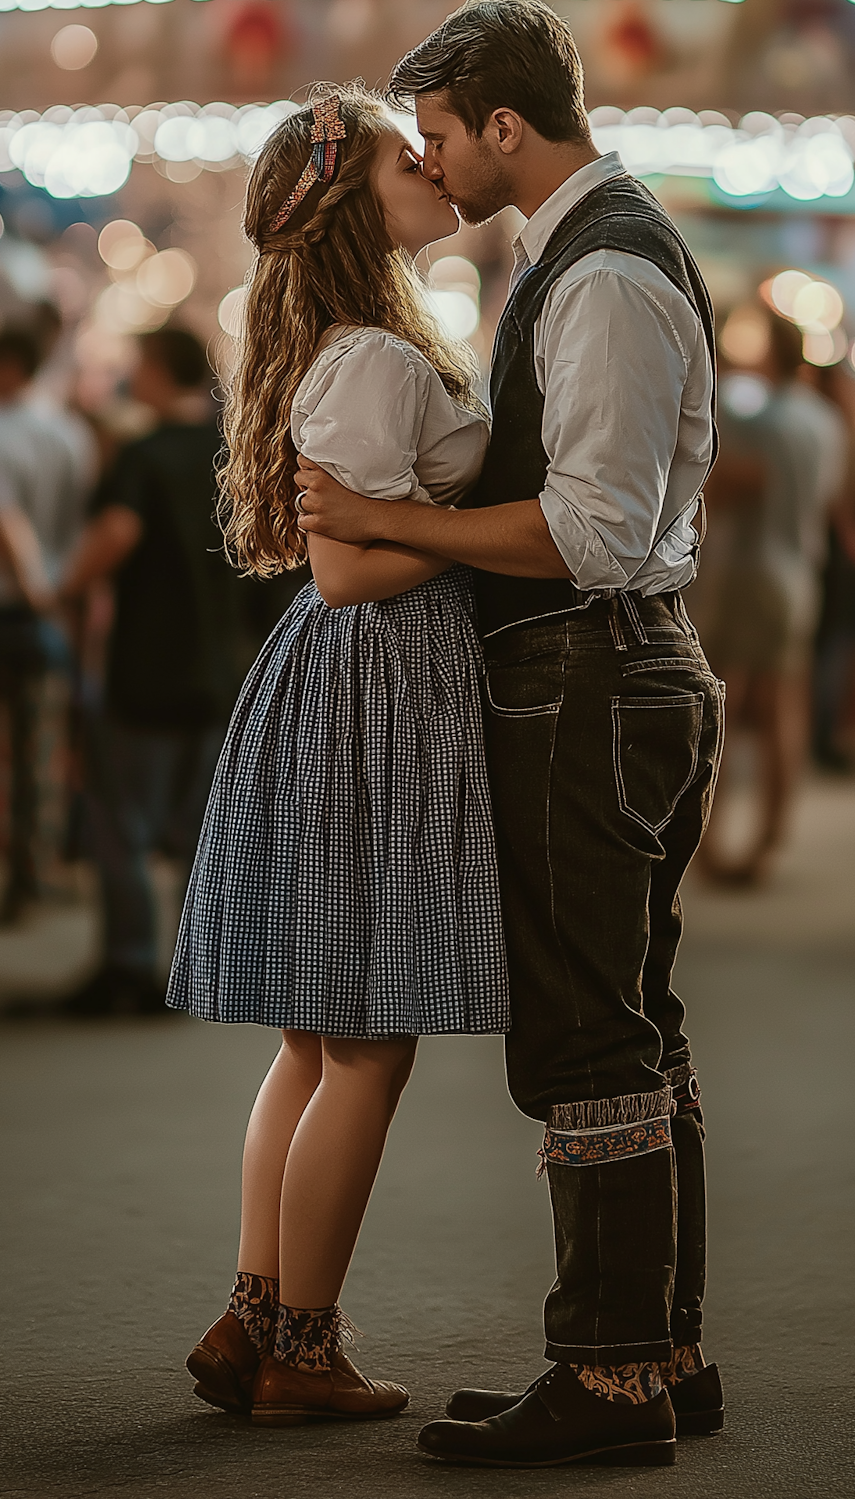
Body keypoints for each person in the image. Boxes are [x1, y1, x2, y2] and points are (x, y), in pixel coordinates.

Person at [297, 0, 723, 1470]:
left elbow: (595, 531)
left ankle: (609, 1373)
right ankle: (657, 1343)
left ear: (501, 122)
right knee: (633, 1019)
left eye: (436, 135)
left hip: (589, 674)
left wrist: (391, 521)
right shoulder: (597, 252)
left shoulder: (600, 272)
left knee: (585, 1028)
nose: (431, 162)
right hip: (624, 673)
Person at [170, 88, 507, 1428]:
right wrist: (500, 528)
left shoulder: (352, 342)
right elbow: (349, 564)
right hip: (379, 677)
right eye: (398, 154)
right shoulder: (370, 352)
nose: (426, 165)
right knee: (368, 1043)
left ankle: (257, 1311)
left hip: (342, 683)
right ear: (354, 201)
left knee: (317, 1043)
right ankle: (300, 1344)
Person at [57, 327, 262, 1015]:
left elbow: (116, 532)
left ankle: (130, 965)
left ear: (158, 370)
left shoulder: (142, 456)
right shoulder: (231, 451)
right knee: (200, 828)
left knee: (123, 822)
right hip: (218, 669)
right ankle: (198, 968)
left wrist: (62, 584)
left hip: (145, 668)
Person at [692, 311, 845, 884]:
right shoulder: (824, 418)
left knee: (724, 708)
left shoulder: (760, 416)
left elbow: (734, 483)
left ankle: (713, 842)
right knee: (785, 705)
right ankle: (771, 835)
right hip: (801, 570)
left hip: (750, 571)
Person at [0, 326, 94, 918]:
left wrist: (31, 586)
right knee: (39, 747)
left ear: (2, 366)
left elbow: (1, 518)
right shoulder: (71, 434)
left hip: (2, 605)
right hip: (56, 605)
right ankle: (29, 872)